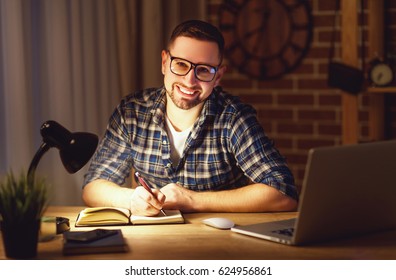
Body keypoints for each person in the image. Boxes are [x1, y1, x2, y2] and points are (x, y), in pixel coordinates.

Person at [82, 20, 298, 216]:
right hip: (151, 241)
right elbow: (93, 186)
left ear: (218, 77)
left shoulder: (234, 117)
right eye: (181, 65)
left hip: (221, 244)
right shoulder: (131, 112)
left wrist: (191, 199)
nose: (189, 81)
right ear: (165, 62)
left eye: (204, 70)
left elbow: (283, 192)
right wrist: (131, 199)